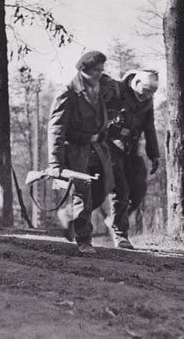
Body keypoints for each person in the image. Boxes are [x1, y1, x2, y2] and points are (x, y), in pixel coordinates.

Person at [47, 50, 117, 254]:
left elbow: (114, 90)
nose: (100, 73)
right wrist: (55, 163)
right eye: (96, 70)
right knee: (83, 194)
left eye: (102, 70)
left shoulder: (101, 88)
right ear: (84, 70)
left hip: (98, 148)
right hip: (76, 149)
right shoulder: (68, 93)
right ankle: (84, 240)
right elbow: (56, 129)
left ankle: (68, 215)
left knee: (104, 187)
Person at [106, 70, 160, 249]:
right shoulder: (116, 92)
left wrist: (154, 155)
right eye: (146, 89)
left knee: (138, 190)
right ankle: (120, 235)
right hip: (109, 147)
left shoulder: (147, 102)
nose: (148, 94)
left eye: (153, 91)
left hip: (131, 149)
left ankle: (113, 219)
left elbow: (150, 128)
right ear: (135, 83)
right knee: (121, 189)